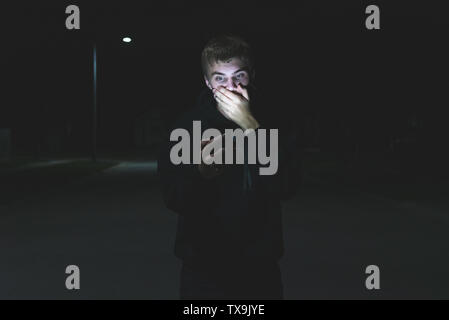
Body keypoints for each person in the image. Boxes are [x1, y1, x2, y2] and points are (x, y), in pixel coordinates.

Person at [157, 34, 302, 300]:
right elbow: (174, 197)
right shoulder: (186, 126)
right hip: (202, 269)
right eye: (220, 78)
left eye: (239, 76)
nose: (231, 86)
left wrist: (250, 124)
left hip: (260, 266)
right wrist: (200, 173)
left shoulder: (274, 122)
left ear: (252, 75)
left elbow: (287, 185)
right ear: (207, 82)